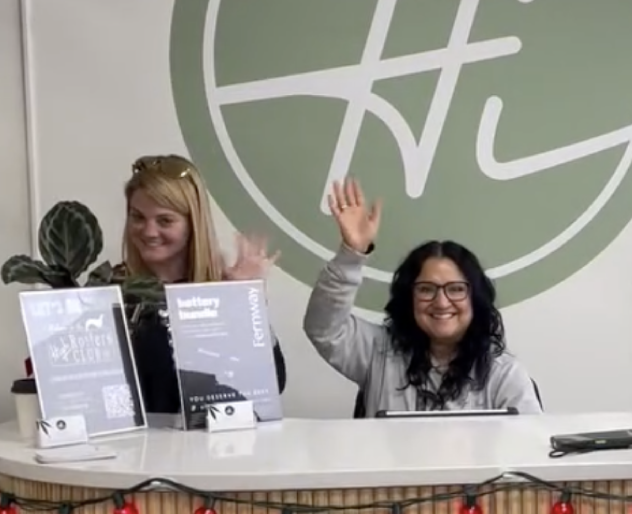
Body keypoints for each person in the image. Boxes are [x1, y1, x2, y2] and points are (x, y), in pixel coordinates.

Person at [303, 178, 542, 416]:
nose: (441, 302)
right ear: (409, 298)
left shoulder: (504, 374)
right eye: (427, 289)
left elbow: (529, 448)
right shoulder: (377, 353)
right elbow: (324, 329)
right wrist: (351, 255)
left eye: (456, 289)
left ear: (475, 298)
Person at [120, 154, 287, 414]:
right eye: (138, 217)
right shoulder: (111, 291)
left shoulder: (220, 289)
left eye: (165, 220)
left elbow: (272, 382)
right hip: (132, 452)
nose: (149, 231)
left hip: (208, 450)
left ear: (192, 224)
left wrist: (247, 300)